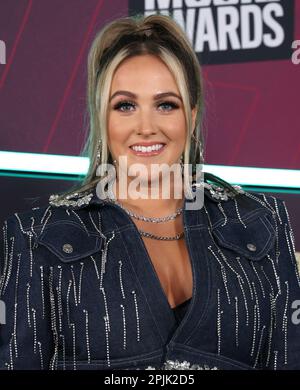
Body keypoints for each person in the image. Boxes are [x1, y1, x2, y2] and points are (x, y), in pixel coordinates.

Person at [0, 13, 300, 371]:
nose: (146, 127)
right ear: (102, 117)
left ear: (191, 116)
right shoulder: (34, 238)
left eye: (165, 105)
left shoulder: (262, 223)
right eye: (125, 105)